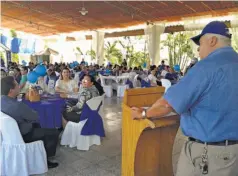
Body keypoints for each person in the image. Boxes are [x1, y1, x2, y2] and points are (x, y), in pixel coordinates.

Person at [131, 21, 238, 176]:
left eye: (200, 45)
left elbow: (167, 105)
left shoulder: (206, 67)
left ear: (212, 41)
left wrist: (143, 114)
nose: (198, 51)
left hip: (208, 154)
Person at [0, 76, 60, 168]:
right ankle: (46, 159)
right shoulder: (17, 106)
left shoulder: (2, 100)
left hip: (9, 135)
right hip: (24, 133)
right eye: (16, 85)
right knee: (54, 132)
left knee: (38, 126)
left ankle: (39, 152)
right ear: (11, 90)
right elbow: (34, 116)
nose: (19, 86)